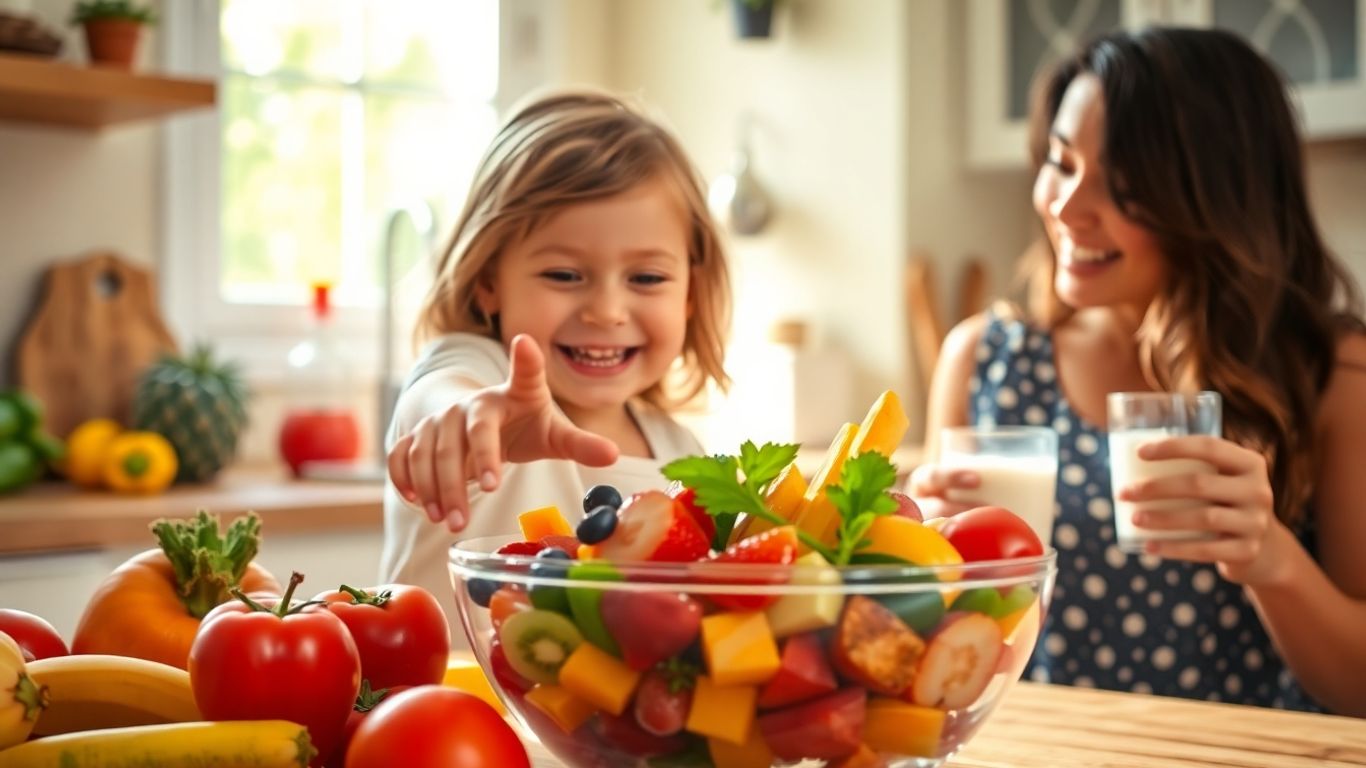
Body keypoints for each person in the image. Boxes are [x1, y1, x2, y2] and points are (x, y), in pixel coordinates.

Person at [909, 27, 1366, 716]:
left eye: (1124, 187)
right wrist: (921, 564)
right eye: (1061, 162)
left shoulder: (1333, 377)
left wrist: (1272, 561)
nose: (1067, 207)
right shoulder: (984, 361)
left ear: (1217, 203)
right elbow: (938, 655)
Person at [380, 90, 731, 643]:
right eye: (564, 275)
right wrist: (466, 421)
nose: (607, 311)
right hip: (430, 699)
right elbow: (440, 395)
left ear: (690, 291)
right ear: (489, 281)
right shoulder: (480, 374)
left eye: (646, 278)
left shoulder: (682, 453)